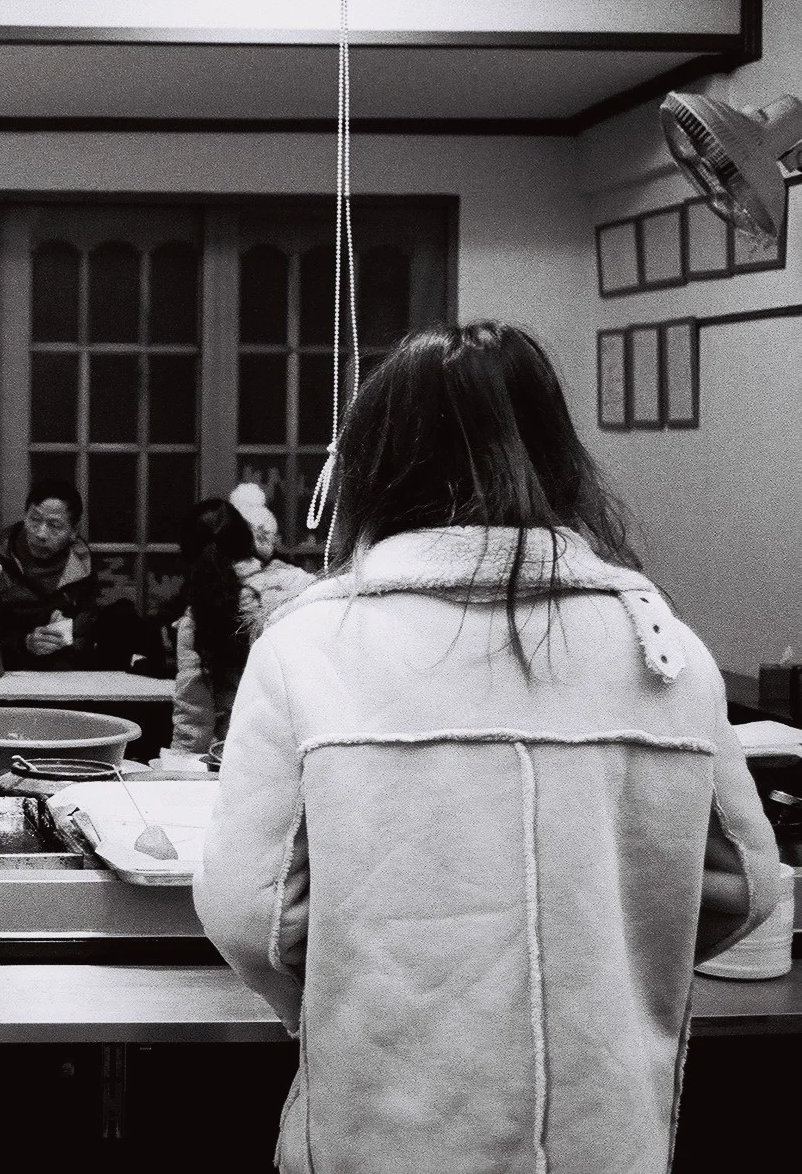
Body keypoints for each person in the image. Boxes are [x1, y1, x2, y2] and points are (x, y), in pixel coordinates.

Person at [195, 322, 783, 1172]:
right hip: (607, 1135)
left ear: (373, 458)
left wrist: (329, 999)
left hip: (383, 1131)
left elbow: (253, 919)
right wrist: (613, 964)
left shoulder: (313, 642)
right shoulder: (662, 644)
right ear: (557, 452)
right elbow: (747, 886)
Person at [163, 498, 313, 754]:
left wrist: (176, 772)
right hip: (311, 737)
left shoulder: (199, 617)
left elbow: (193, 718)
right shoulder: (301, 586)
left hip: (243, 750)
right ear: (248, 541)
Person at [0, 480, 103, 671]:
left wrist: (72, 635)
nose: (41, 534)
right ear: (25, 517)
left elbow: (91, 631)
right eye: (35, 520)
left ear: (73, 531)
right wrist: (25, 643)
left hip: (68, 676)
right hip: (8, 673)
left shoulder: (83, 566)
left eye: (54, 525)